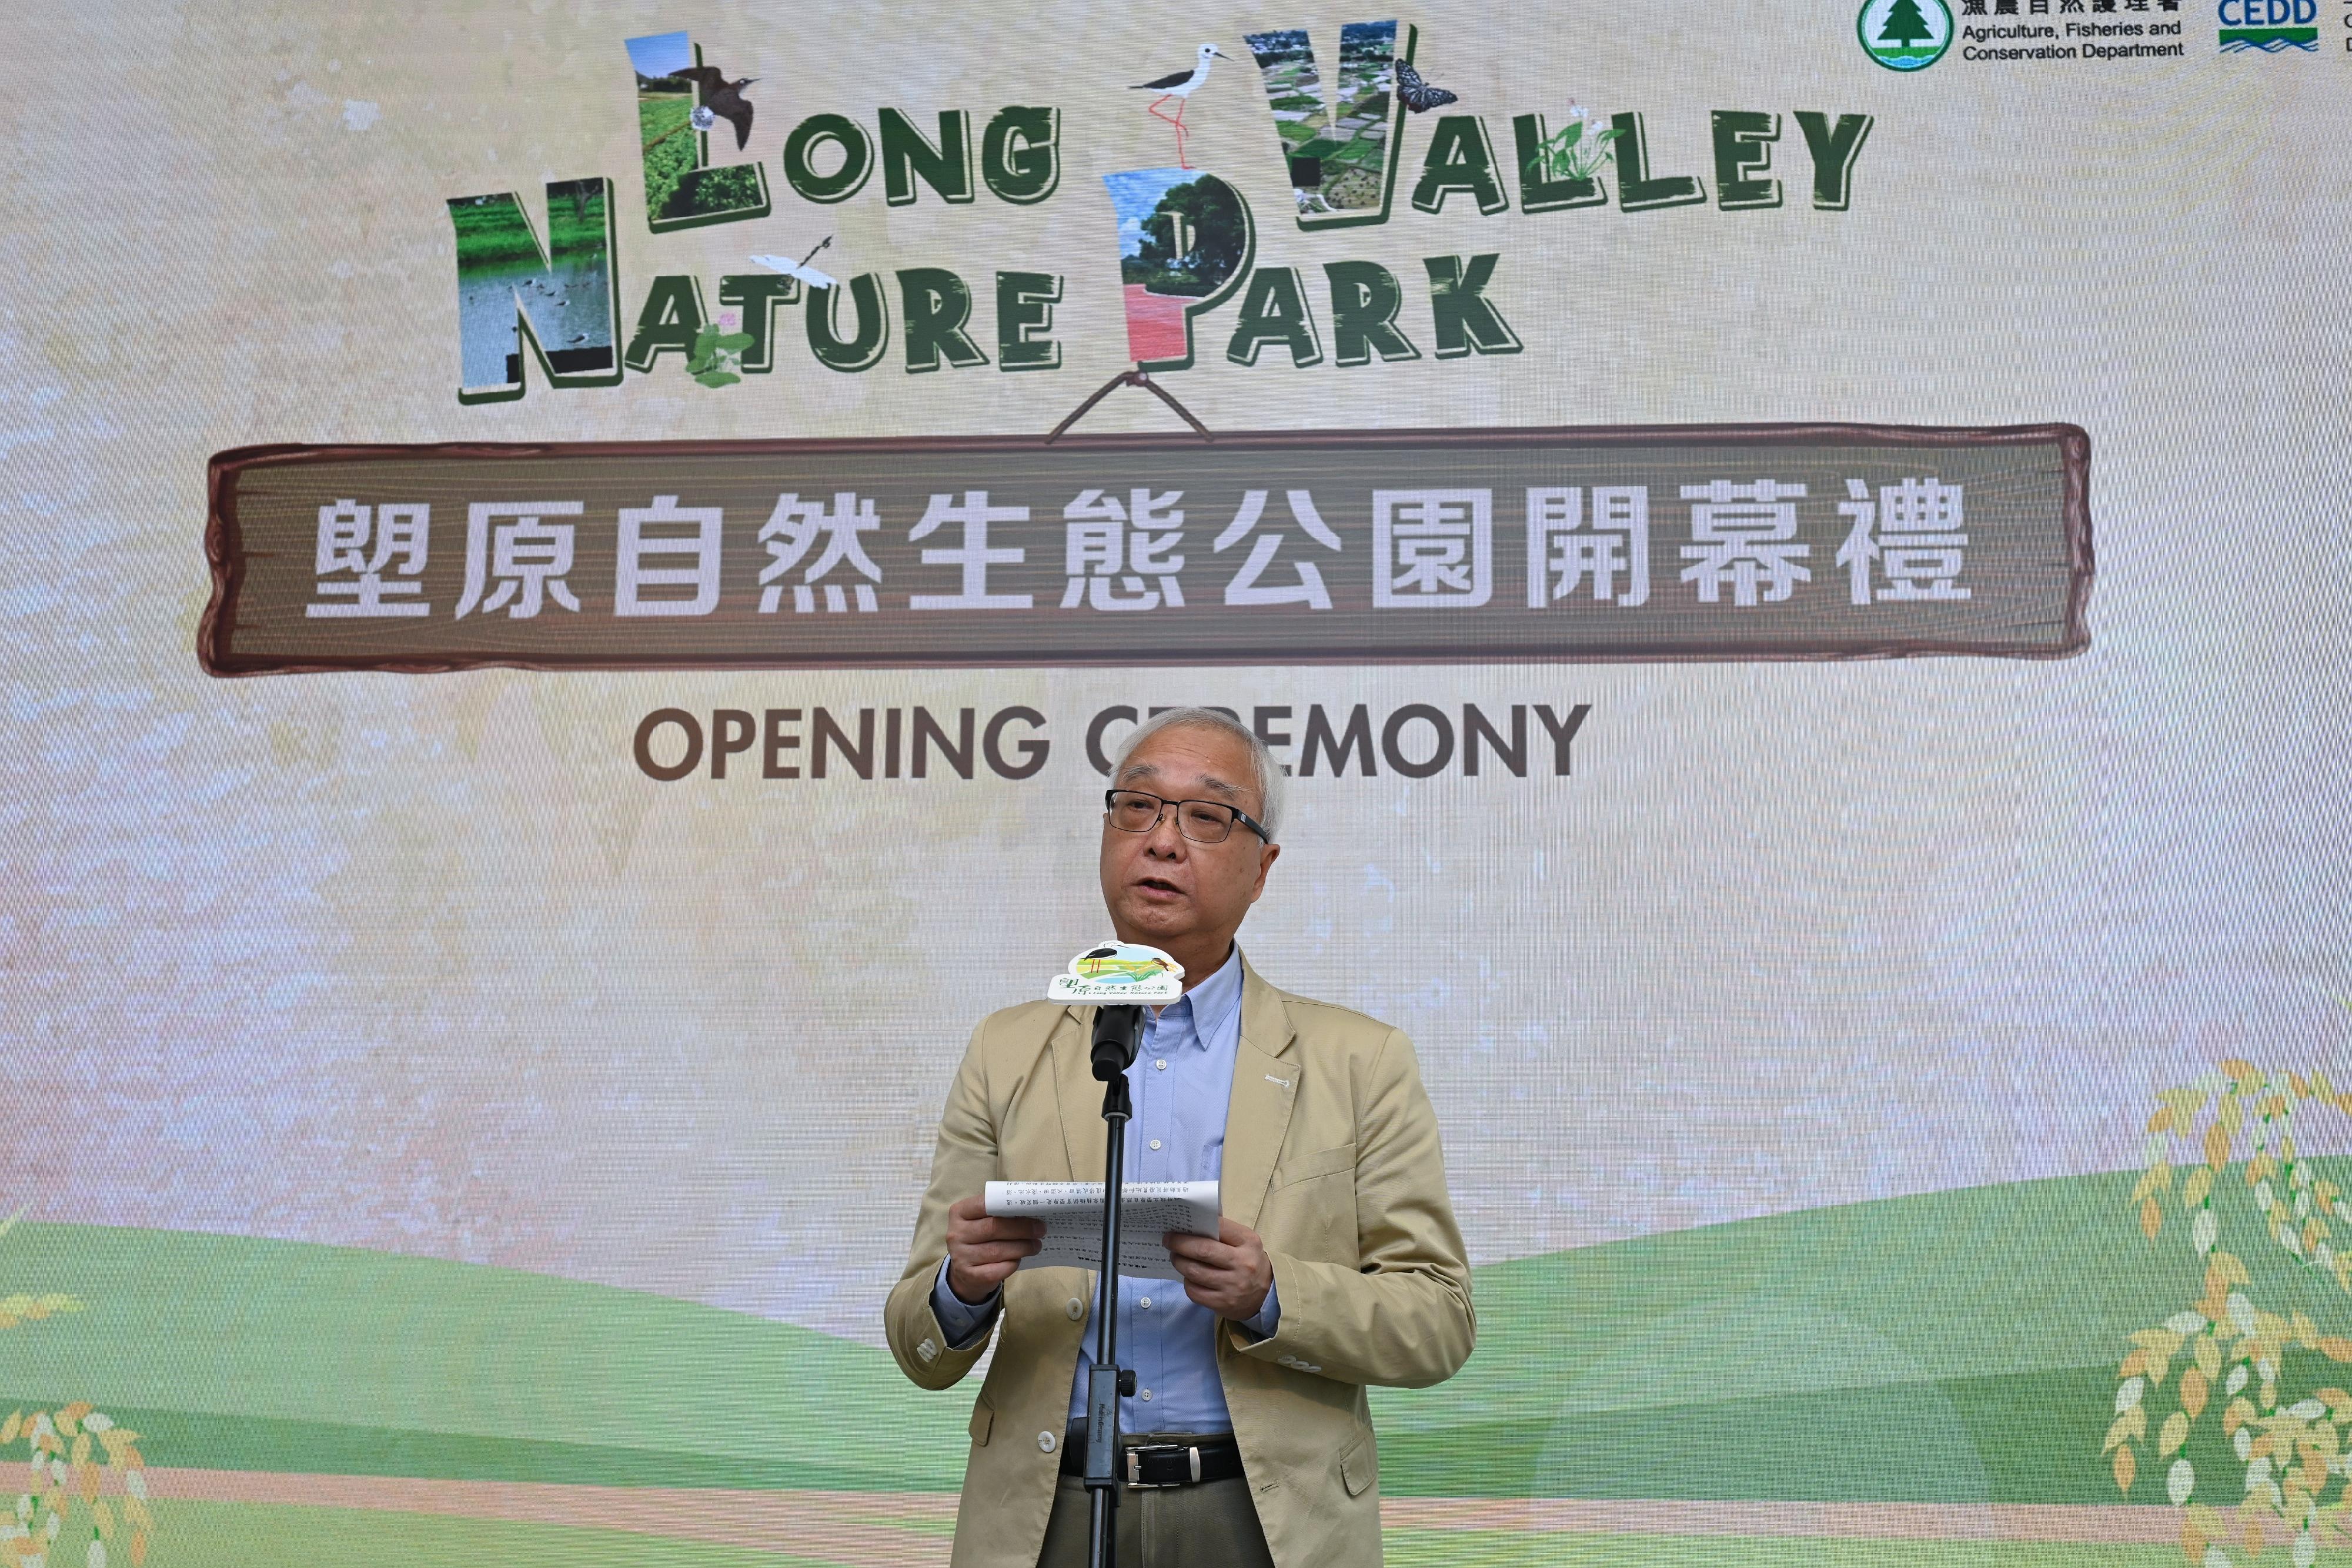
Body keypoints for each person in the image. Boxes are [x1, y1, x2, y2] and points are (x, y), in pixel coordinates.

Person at [884, 707, 1475, 1568]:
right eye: (1138, 807)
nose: (1162, 841)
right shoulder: (1007, 1050)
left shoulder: (1359, 1061)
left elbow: (1439, 1319)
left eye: (1206, 816)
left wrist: (1274, 1295)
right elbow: (919, 1343)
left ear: (1263, 867)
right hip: (1049, 1514)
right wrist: (960, 1289)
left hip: (1262, 1515)